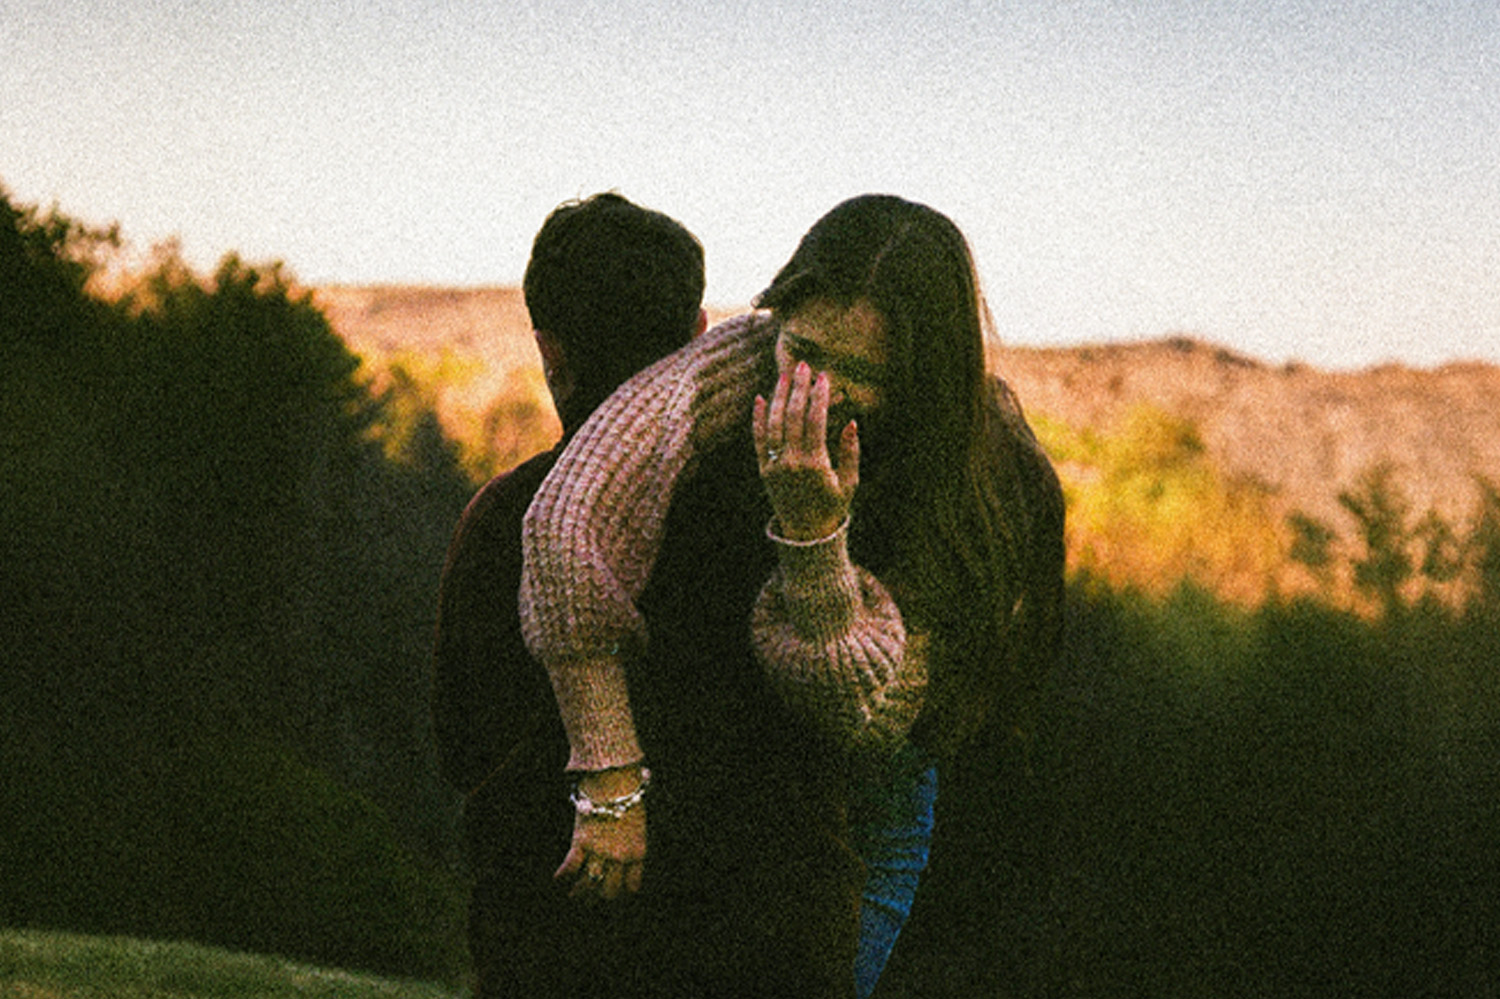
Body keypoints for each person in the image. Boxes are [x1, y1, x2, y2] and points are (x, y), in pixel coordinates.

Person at [520, 194, 1066, 997]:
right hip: (747, 787)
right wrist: (609, 767)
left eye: (862, 374)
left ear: (919, 380)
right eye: (803, 349)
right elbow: (567, 524)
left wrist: (813, 536)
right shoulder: (759, 354)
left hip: (874, 791)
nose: (819, 387)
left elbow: (863, 711)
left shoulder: (990, 485)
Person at [430, 191, 707, 998]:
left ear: (551, 351)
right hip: (718, 938)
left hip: (541, 930)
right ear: (695, 338)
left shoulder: (502, 524)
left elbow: (458, 741)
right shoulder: (747, 516)